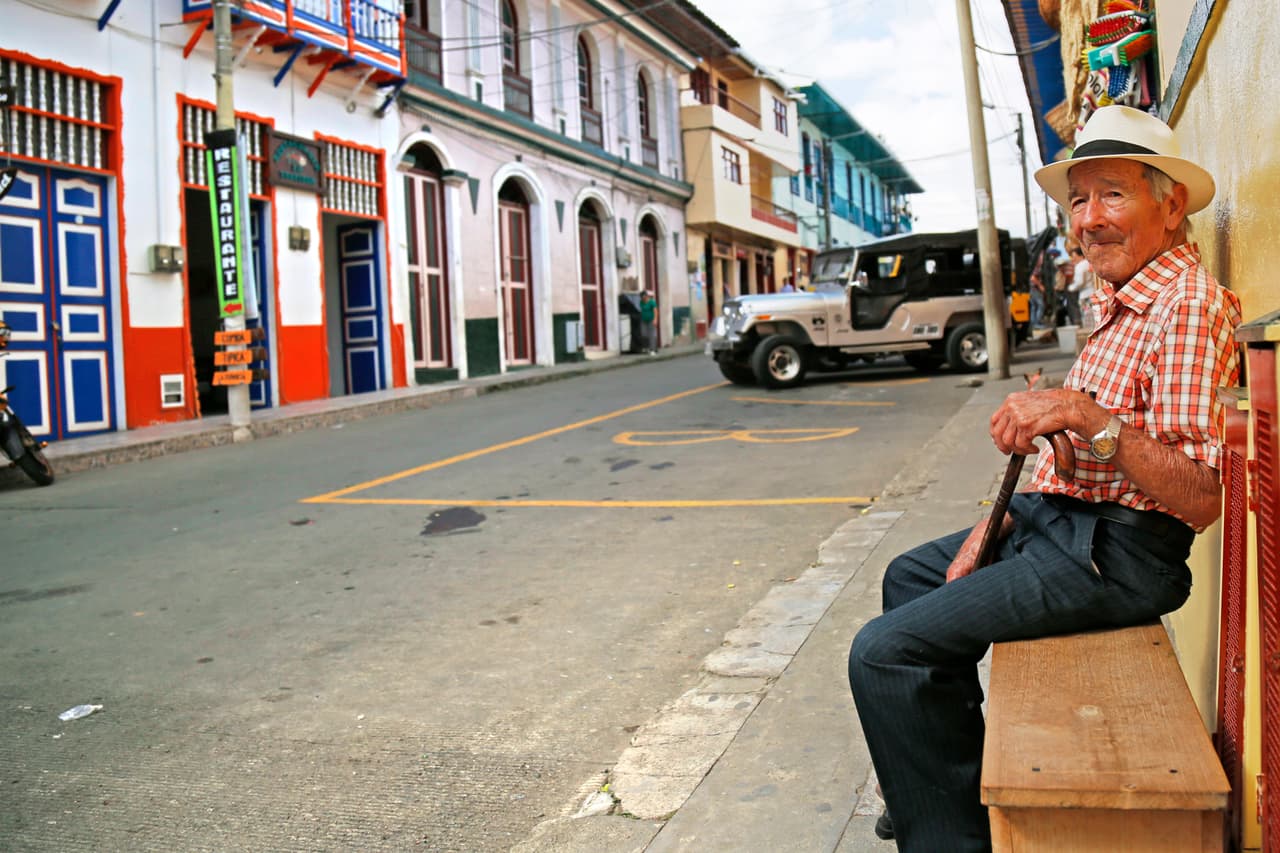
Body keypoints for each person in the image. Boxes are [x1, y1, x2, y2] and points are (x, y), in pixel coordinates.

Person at [847, 104, 1241, 852]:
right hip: (1060, 523)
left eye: (1112, 194)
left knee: (882, 652)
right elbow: (1082, 444)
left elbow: (1200, 492)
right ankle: (934, 786)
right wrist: (1017, 474)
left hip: (1120, 556)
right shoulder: (1122, 302)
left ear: (1171, 202)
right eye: (1079, 200)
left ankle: (948, 838)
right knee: (909, 575)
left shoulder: (1188, 308)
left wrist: (1077, 410)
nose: (1089, 220)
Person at [1071, 246, 1096, 329]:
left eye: (1074, 257)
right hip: (1092, 292)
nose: (1073, 259)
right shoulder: (1089, 263)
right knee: (1094, 317)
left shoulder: (1079, 266)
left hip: (1084, 295)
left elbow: (1080, 282)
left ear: (1081, 255)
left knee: (1087, 318)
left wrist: (1071, 288)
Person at [639, 289, 657, 354]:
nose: (643, 299)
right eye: (642, 297)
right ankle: (646, 348)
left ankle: (652, 350)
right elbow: (641, 310)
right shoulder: (641, 302)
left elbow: (655, 311)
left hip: (651, 320)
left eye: (644, 297)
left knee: (651, 335)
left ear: (647, 296)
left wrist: (655, 319)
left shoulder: (652, 302)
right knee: (644, 334)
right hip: (643, 320)